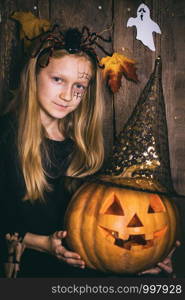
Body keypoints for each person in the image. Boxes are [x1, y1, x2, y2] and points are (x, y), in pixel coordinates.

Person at [0, 27, 105, 277]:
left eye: (79, 85)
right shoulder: (5, 135)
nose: (68, 96)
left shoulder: (81, 146)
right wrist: (41, 243)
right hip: (28, 270)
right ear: (34, 74)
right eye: (58, 79)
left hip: (77, 267)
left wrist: (147, 256)